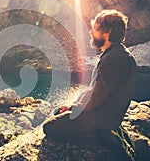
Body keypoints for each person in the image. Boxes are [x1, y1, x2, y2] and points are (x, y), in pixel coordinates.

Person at [43, 9, 137, 142]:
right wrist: (73, 106)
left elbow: (96, 98)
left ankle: (97, 138)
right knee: (60, 112)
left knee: (50, 127)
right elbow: (95, 91)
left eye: (95, 29)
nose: (91, 32)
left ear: (107, 32)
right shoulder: (117, 53)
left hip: (101, 119)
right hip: (104, 114)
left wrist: (74, 109)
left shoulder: (113, 59)